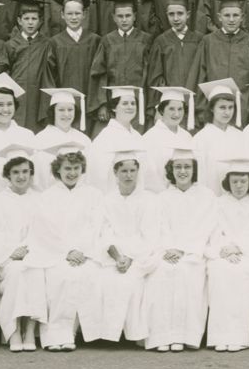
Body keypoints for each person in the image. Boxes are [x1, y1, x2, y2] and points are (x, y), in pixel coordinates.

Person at [25, 146, 105, 351]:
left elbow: (96, 225)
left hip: (86, 254)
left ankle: (72, 333)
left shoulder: (93, 195)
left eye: (76, 168)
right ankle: (54, 336)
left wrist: (82, 251)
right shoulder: (47, 196)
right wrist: (67, 251)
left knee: (86, 276)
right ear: (58, 169)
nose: (72, 173)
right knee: (60, 278)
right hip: (55, 253)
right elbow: (45, 230)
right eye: (67, 168)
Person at [140, 146, 216, 351]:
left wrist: (183, 249)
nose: (182, 171)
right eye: (178, 167)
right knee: (162, 273)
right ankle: (161, 336)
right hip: (166, 252)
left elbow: (205, 228)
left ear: (194, 170)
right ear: (171, 170)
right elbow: (159, 227)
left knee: (186, 273)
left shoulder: (206, 196)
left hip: (193, 252)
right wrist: (168, 249)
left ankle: (184, 336)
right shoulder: (162, 198)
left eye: (187, 167)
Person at [91, 151, 155, 345]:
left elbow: (149, 235)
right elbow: (103, 232)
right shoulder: (107, 200)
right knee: (104, 280)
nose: (128, 175)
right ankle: (108, 335)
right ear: (115, 173)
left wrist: (130, 257)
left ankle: (134, 335)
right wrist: (118, 256)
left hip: (140, 256)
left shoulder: (148, 199)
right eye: (124, 171)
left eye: (132, 170)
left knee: (132, 282)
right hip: (112, 255)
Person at [206, 157, 249, 352]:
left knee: (243, 272)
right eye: (234, 182)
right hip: (222, 254)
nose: (239, 186)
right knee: (220, 273)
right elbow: (213, 231)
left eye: (243, 181)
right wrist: (225, 250)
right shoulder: (218, 203)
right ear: (227, 183)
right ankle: (220, 337)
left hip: (248, 254)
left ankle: (240, 337)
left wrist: (238, 247)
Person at [0, 145, 45, 352]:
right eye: (15, 172)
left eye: (25, 171)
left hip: (35, 253)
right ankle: (13, 330)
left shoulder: (40, 200)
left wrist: (30, 249)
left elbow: (44, 231)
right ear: (7, 175)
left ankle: (30, 329)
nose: (21, 176)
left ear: (31, 173)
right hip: (6, 258)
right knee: (15, 272)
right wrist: (10, 252)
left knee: (36, 271)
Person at [90, 0, 154, 134]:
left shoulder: (146, 40)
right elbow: (99, 73)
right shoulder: (107, 41)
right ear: (113, 17)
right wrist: (102, 104)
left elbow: (151, 75)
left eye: (128, 15)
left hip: (138, 102)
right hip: (113, 102)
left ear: (134, 16)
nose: (124, 20)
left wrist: (149, 105)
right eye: (120, 16)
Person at [187, 0, 249, 126]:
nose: (231, 19)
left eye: (235, 15)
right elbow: (200, 76)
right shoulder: (208, 41)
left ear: (242, 17)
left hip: (242, 107)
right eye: (227, 15)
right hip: (213, 106)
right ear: (219, 17)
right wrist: (201, 109)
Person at [43, 0, 102, 129]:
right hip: (65, 106)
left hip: (90, 104)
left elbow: (100, 74)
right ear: (62, 15)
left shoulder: (95, 41)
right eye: (69, 13)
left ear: (84, 14)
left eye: (77, 13)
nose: (73, 17)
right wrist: (58, 102)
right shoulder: (55, 42)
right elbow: (49, 76)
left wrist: (99, 103)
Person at [0, 0, 53, 133]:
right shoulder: (10, 44)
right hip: (17, 94)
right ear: (19, 21)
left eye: (34, 19)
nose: (30, 22)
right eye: (26, 19)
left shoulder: (47, 44)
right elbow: (1, 71)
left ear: (40, 21)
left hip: (39, 95)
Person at [192, 78, 249, 196]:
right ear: (211, 108)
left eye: (230, 107)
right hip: (211, 198)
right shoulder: (200, 139)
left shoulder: (240, 136)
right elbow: (199, 176)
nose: (227, 112)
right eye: (222, 107)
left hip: (236, 199)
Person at [31, 87, 92, 191]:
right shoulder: (40, 140)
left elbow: (89, 174)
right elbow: (37, 177)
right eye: (61, 110)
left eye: (70, 109)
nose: (66, 114)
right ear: (53, 112)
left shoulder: (84, 139)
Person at [88, 86, 146, 191]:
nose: (130, 107)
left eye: (133, 103)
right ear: (114, 107)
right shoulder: (105, 137)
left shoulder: (138, 136)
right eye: (125, 103)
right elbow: (98, 173)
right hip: (114, 197)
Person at [147, 0, 204, 98]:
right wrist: (169, 96)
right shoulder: (161, 41)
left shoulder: (200, 40)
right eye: (171, 14)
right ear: (166, 15)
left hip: (195, 99)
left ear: (188, 14)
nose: (176, 18)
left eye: (180, 13)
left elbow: (203, 73)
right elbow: (156, 77)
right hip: (171, 100)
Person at [141, 86, 195, 193]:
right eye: (171, 109)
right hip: (160, 197)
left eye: (180, 109)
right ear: (161, 110)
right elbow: (149, 175)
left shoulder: (187, 137)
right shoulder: (150, 138)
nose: (177, 114)